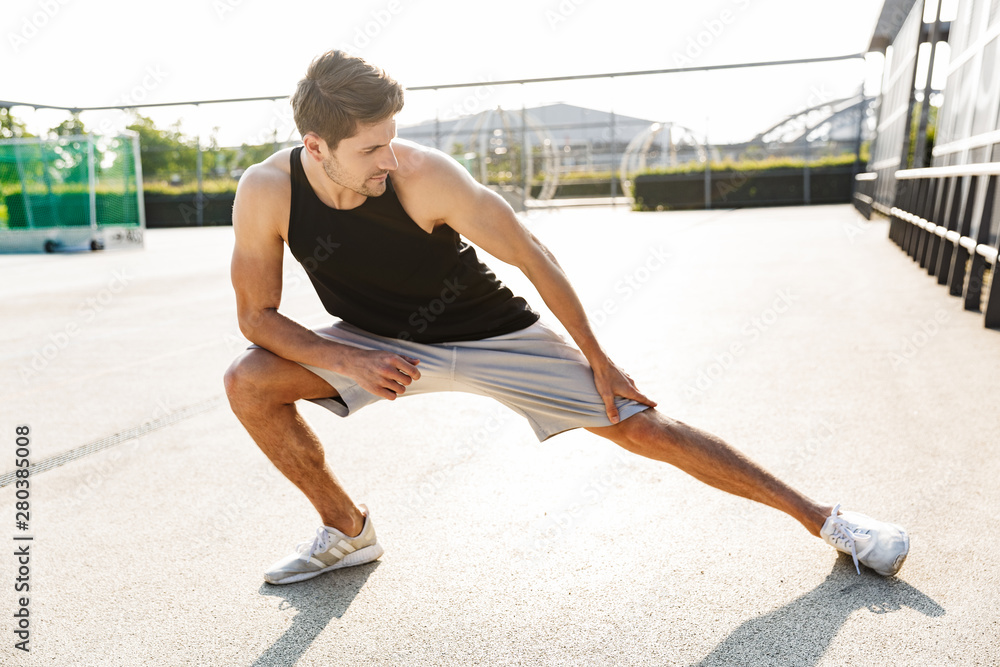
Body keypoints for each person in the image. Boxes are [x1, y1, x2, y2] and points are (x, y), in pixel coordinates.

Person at [223, 50, 909, 586]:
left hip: (492, 332)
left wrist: (599, 357)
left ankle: (830, 521)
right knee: (248, 380)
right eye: (370, 149)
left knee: (646, 428)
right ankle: (347, 529)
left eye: (392, 139)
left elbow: (534, 254)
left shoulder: (424, 176)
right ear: (316, 147)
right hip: (375, 343)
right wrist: (352, 358)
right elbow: (257, 315)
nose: (389, 158)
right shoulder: (266, 192)